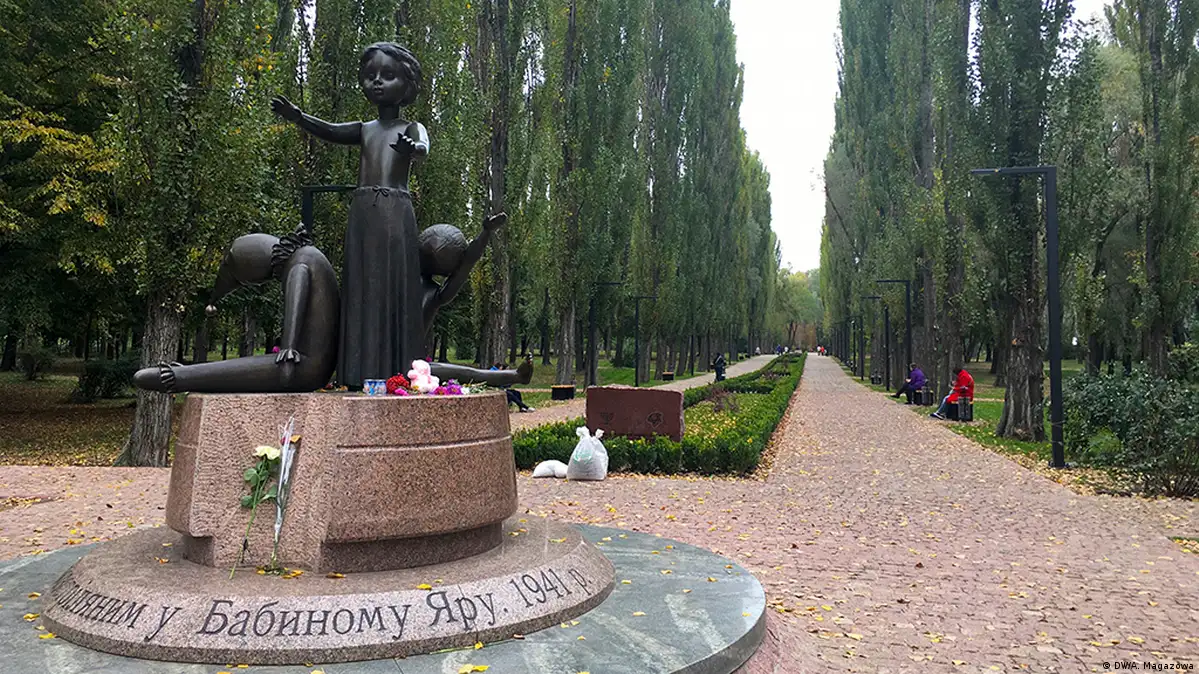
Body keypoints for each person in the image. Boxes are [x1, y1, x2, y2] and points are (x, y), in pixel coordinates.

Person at [272, 42, 429, 390]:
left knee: (394, 285)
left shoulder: (412, 126)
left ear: (407, 82)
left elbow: (423, 148)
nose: (377, 82)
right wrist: (299, 117)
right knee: (361, 285)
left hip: (395, 213)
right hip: (363, 215)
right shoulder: (364, 128)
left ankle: (402, 373)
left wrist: (413, 149)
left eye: (388, 75)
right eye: (371, 75)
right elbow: (330, 130)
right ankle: (357, 372)